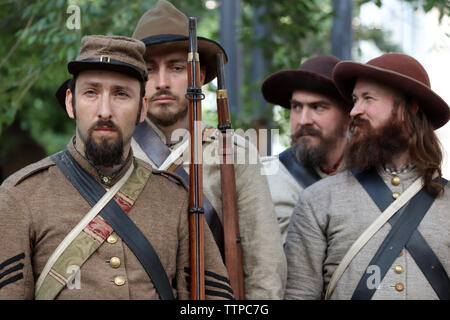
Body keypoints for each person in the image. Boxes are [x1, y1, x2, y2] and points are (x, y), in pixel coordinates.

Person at [0, 35, 232, 300]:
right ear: (70, 103)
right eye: (91, 92)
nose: (105, 111)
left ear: (142, 109)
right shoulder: (20, 195)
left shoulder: (175, 198)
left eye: (121, 94)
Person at [130, 0, 286, 299]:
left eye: (177, 67)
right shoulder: (116, 153)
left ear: (198, 76)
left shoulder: (235, 153)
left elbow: (265, 265)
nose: (162, 82)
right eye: (149, 69)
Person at [284, 53, 450, 300]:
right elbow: (299, 295)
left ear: (409, 109)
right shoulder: (318, 200)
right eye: (354, 100)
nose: (354, 111)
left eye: (367, 99)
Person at [260, 55, 351, 243]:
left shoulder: (374, 176)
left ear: (348, 115)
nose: (303, 120)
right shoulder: (264, 178)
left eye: (318, 107)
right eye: (296, 107)